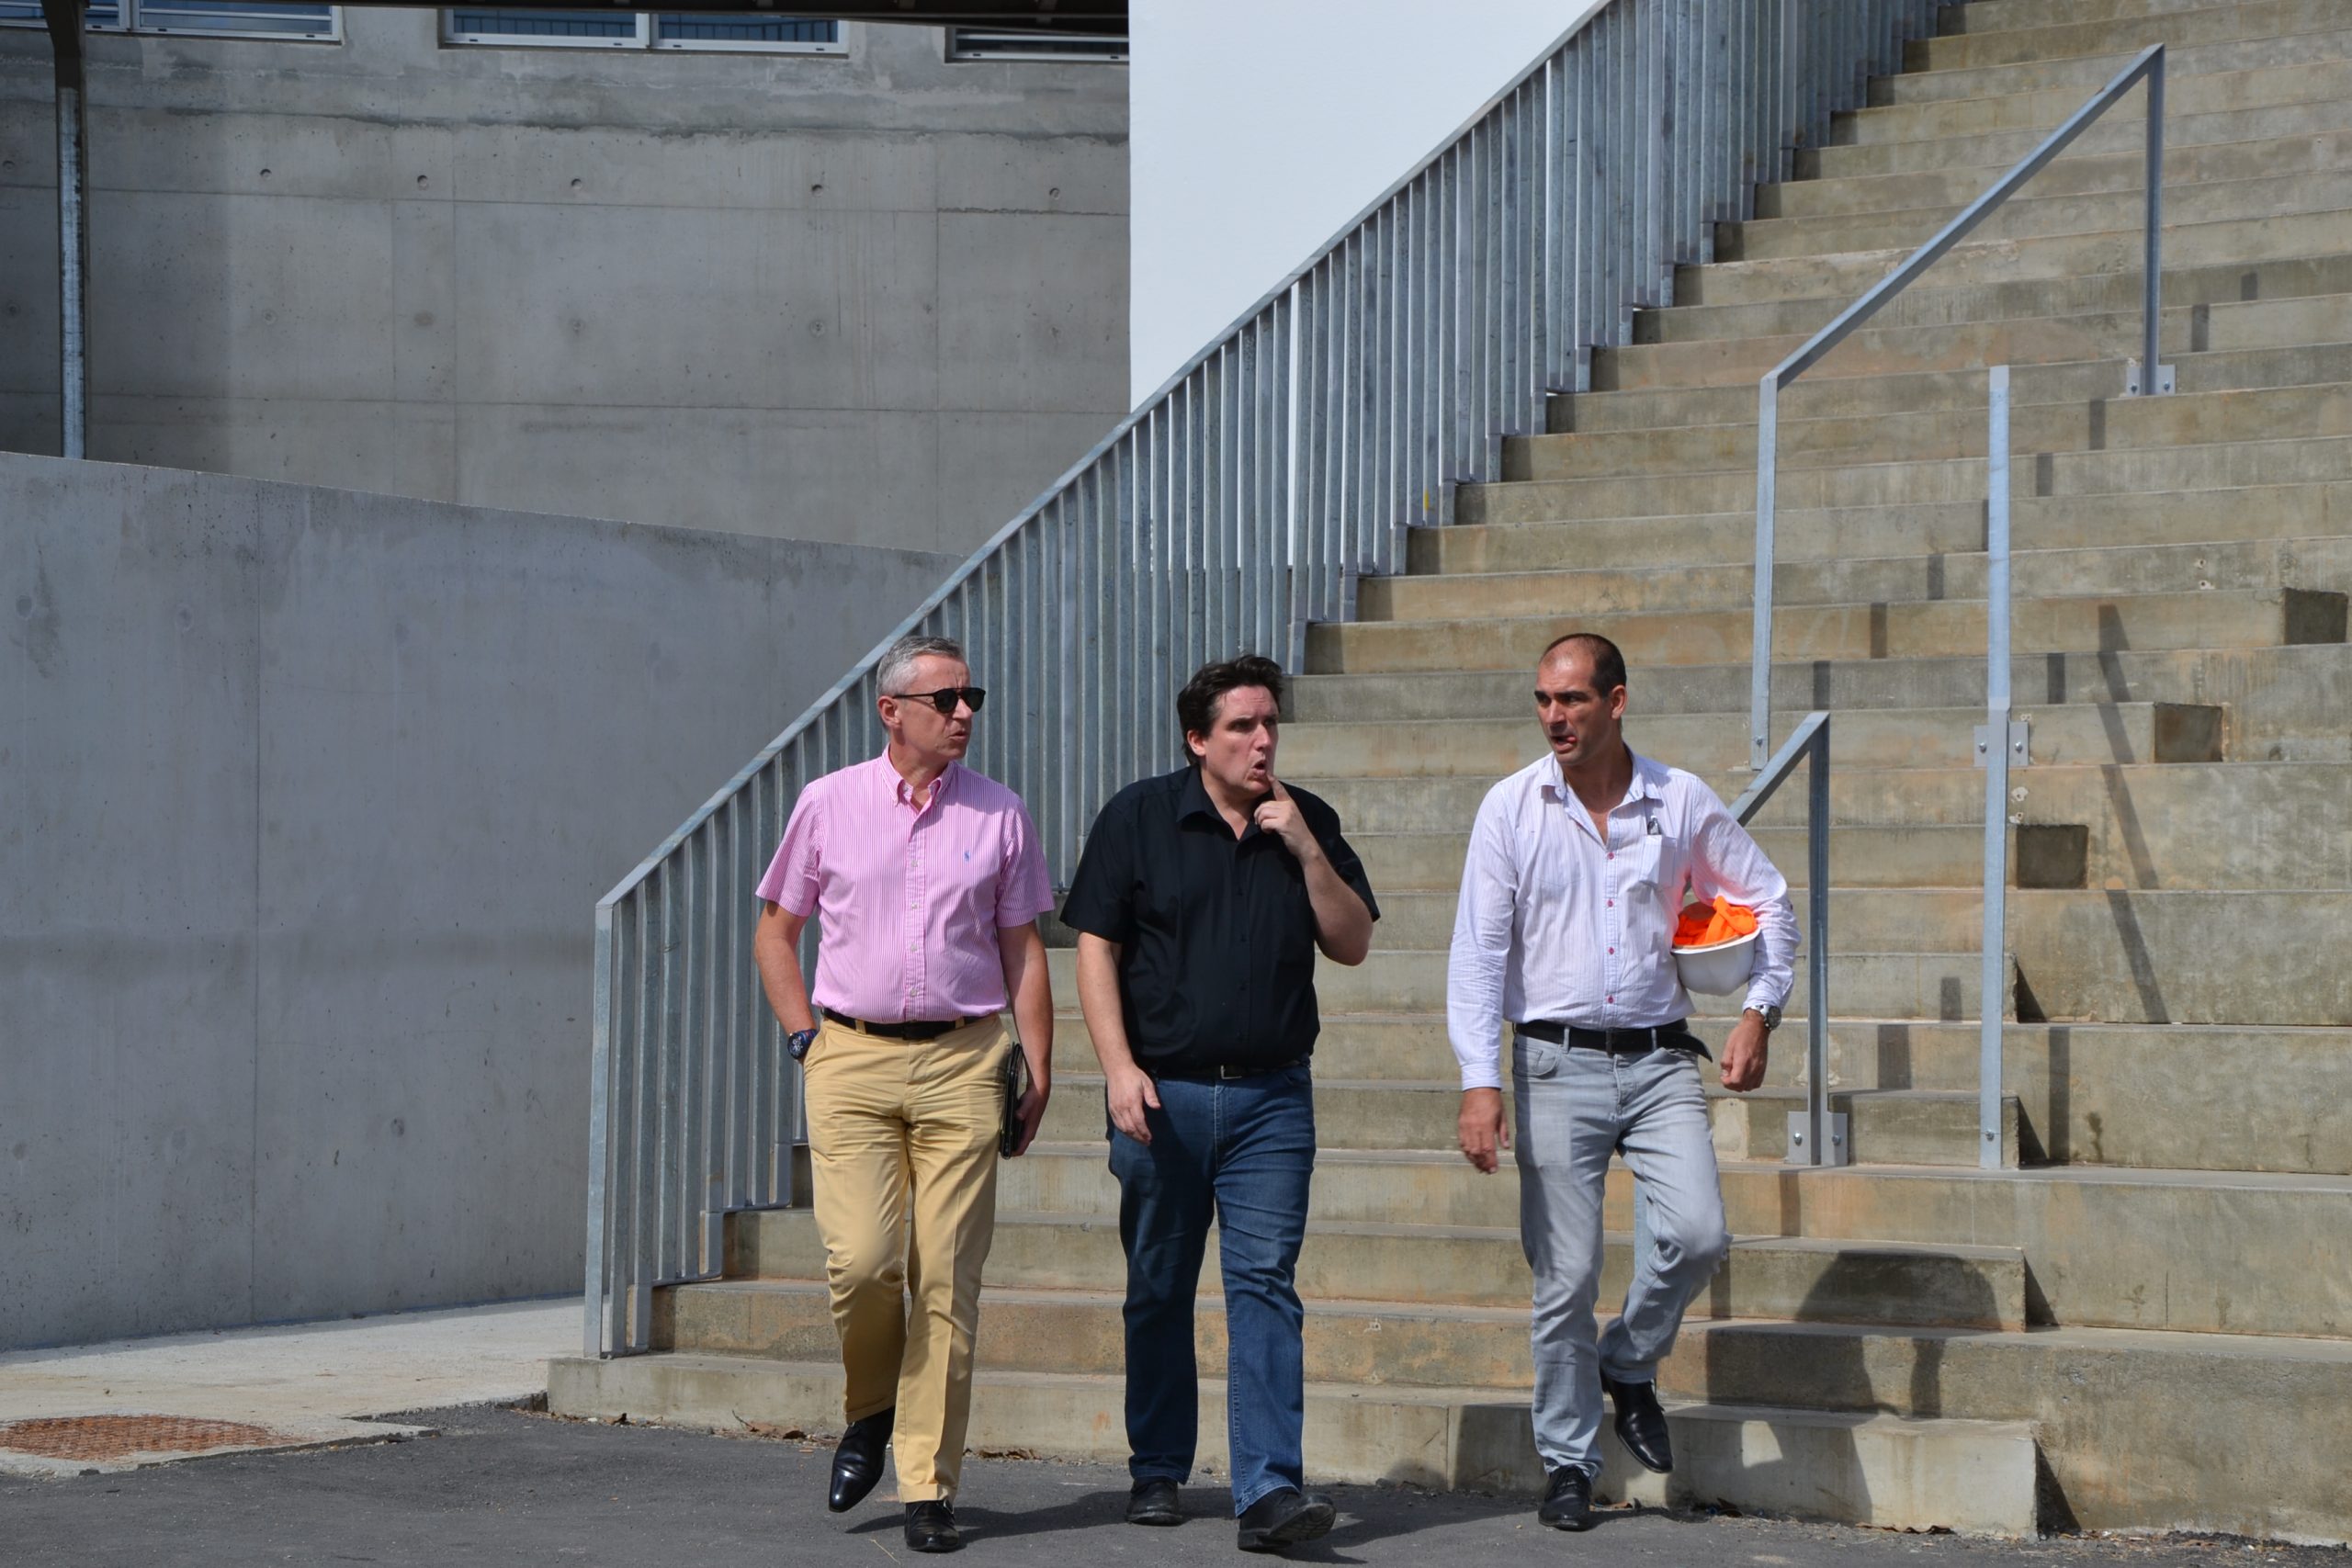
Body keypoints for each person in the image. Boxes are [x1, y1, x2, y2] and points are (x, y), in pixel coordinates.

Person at [1445, 632, 1795, 1531]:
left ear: (1616, 701)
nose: (1554, 716)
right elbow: (1478, 953)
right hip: (1551, 1060)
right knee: (1564, 1276)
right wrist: (1479, 1080)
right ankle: (1568, 1461)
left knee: (1700, 1232)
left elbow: (1770, 897)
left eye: (1571, 699)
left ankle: (1629, 1359)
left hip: (1658, 1057)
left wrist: (1758, 1012)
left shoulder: (1678, 800)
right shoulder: (1511, 807)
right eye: (1543, 700)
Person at [1061, 654, 1378, 1554]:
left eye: (1270, 722)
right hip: (1160, 1097)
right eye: (1242, 725)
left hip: (1271, 1100)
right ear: (1198, 738)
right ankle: (1158, 1466)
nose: (1262, 739)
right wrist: (1118, 1068)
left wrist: (1305, 847)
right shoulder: (1138, 817)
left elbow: (1351, 941)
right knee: (1158, 1285)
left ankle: (1269, 1490)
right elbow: (1095, 948)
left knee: (1265, 1286)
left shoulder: (1307, 820)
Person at [752, 633, 1055, 1556]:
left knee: (947, 1281)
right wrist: (804, 1037)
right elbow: (776, 933)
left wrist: (1039, 1067)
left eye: (972, 699)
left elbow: (1023, 950)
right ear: (891, 711)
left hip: (965, 1060)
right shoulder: (827, 803)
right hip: (849, 1057)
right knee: (863, 1263)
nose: (964, 714)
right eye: (945, 699)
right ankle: (870, 1409)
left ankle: (928, 1485)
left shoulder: (999, 813)